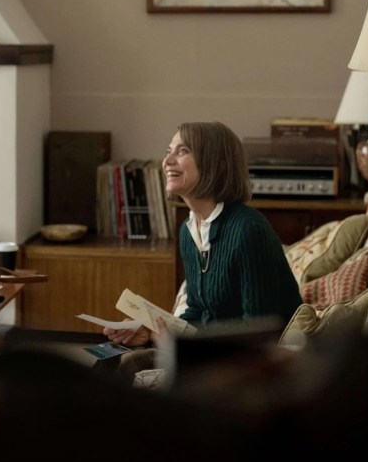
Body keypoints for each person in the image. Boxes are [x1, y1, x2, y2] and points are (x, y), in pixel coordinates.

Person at [104, 122, 300, 351]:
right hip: (217, 353)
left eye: (183, 151)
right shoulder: (188, 231)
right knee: (118, 357)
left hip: (258, 360)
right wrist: (150, 331)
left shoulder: (248, 229)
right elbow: (198, 311)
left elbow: (258, 333)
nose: (167, 161)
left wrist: (180, 347)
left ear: (218, 164)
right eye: (168, 151)